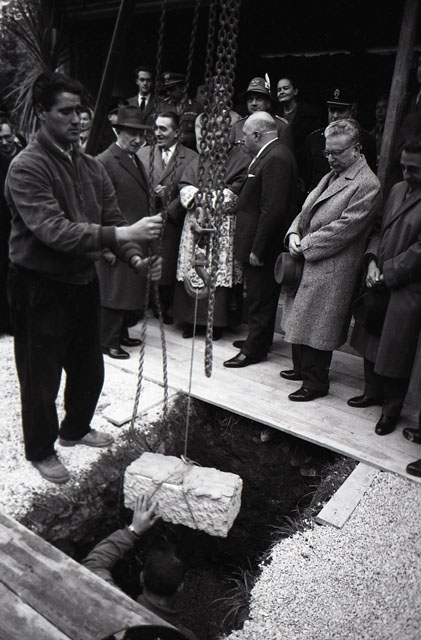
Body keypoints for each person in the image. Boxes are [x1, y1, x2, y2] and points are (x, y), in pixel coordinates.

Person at [5, 73, 163, 484]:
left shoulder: (91, 167)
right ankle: (41, 449)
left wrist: (137, 259)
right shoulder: (26, 167)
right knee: (40, 375)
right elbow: (54, 231)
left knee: (89, 367)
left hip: (82, 279)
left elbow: (113, 218)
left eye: (80, 110)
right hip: (39, 284)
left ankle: (75, 429)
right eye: (66, 111)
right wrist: (123, 236)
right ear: (42, 113)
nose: (77, 119)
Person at [281, 119, 381, 401]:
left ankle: (316, 383)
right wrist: (293, 232)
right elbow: (307, 210)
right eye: (328, 152)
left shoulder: (367, 184)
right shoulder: (334, 174)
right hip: (313, 258)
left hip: (334, 266)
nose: (330, 158)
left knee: (319, 326)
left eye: (337, 152)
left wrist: (305, 244)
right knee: (303, 318)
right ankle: (301, 369)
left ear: (356, 149)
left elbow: (345, 228)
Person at [347, 138, 421, 436]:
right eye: (403, 167)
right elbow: (378, 229)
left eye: (414, 169)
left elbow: (419, 251)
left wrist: (386, 273)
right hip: (379, 277)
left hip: (407, 288)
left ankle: (391, 410)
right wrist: (372, 263)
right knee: (371, 334)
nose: (406, 174)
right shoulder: (397, 189)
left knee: (396, 349)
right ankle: (372, 391)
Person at [223, 111, 297, 368]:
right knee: (257, 295)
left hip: (262, 245)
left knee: (260, 298)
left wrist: (258, 248)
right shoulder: (269, 154)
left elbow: (272, 209)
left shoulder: (277, 157)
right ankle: (257, 341)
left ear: (257, 135)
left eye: (244, 135)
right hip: (254, 240)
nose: (241, 140)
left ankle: (253, 351)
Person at [83, 495, 197, 640]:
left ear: (141, 577)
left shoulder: (115, 605)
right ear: (180, 587)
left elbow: (93, 565)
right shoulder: (185, 637)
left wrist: (133, 530)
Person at [96, 106, 152, 359]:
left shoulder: (133, 158)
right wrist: (105, 246)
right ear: (118, 132)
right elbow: (97, 207)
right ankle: (107, 341)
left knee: (127, 289)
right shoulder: (105, 161)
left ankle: (120, 334)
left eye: (142, 135)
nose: (138, 140)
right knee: (114, 290)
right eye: (132, 134)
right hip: (116, 238)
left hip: (133, 238)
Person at [137, 112, 197, 324]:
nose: (158, 133)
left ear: (177, 132)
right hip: (145, 217)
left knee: (167, 264)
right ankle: (141, 304)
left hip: (172, 220)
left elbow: (191, 188)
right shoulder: (143, 153)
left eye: (163, 129)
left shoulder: (190, 157)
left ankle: (163, 306)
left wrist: (169, 205)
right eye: (156, 128)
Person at [304, 87, 377, 191]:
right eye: (332, 110)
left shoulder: (365, 140)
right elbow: (308, 176)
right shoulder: (314, 139)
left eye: (341, 111)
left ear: (352, 111)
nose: (335, 116)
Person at [0, 116, 24, 334]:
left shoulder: (24, 157)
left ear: (14, 134)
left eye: (7, 137)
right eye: (0, 139)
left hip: (22, 225)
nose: (4, 142)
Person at [230, 76, 293, 152]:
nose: (254, 103)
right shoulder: (238, 126)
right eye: (250, 99)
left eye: (259, 99)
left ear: (268, 103)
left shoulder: (281, 127)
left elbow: (284, 156)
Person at [276, 76, 321, 178]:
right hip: (281, 164)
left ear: (295, 91)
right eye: (279, 90)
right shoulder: (274, 114)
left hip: (303, 165)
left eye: (285, 88)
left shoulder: (308, 114)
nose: (282, 92)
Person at [156, 72, 202, 150]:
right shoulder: (162, 106)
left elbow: (202, 135)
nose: (168, 93)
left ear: (183, 89)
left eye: (172, 90)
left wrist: (187, 138)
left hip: (189, 150)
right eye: (167, 90)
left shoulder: (197, 107)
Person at [370, 94, 388, 168]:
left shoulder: (390, 133)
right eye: (378, 108)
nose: (380, 111)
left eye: (384, 107)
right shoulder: (372, 133)